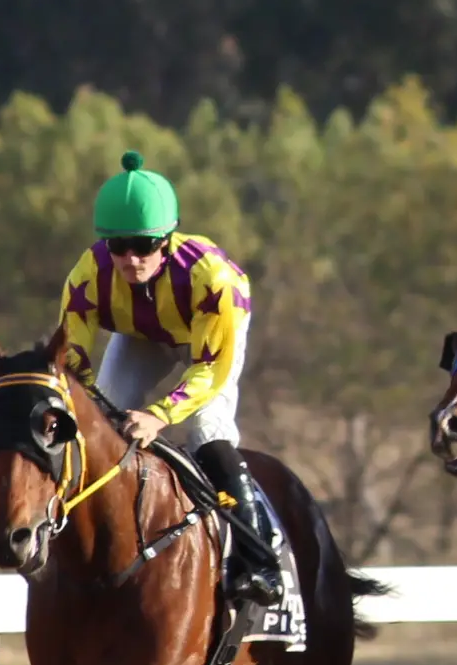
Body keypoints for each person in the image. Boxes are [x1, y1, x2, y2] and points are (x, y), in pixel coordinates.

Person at [53, 151, 285, 610]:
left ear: (168, 239)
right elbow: (70, 360)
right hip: (142, 337)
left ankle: (259, 561)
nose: (131, 259)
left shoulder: (213, 279)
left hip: (207, 342)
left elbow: (210, 369)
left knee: (205, 431)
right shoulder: (87, 275)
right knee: (98, 421)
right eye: (118, 246)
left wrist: (160, 415)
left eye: (144, 245)